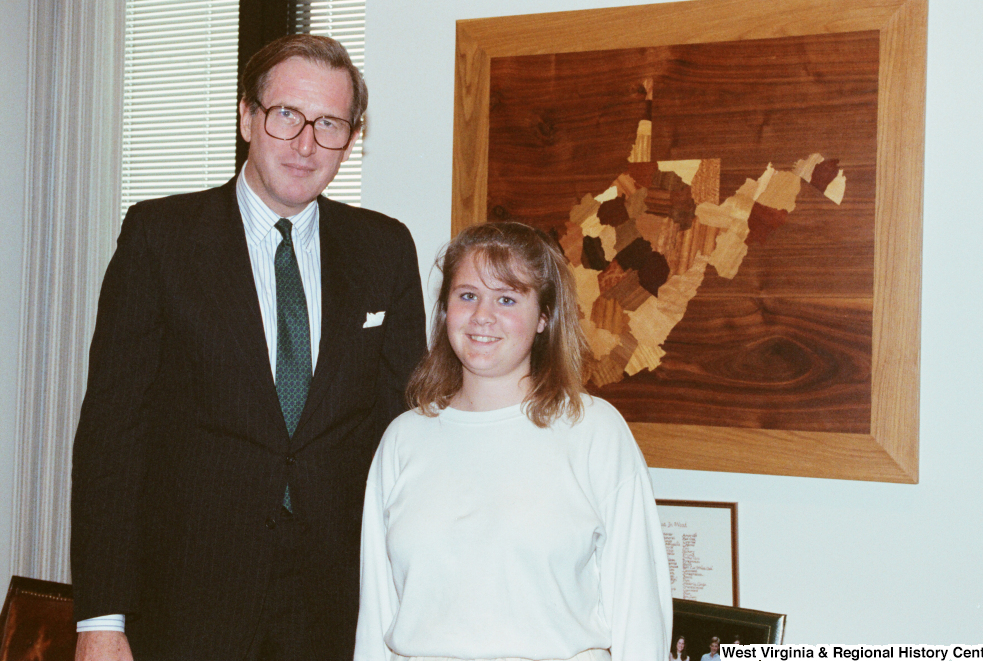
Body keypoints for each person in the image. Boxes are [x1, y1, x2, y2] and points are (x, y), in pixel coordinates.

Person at [71, 34, 426, 661]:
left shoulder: (385, 250)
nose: (306, 143)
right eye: (287, 114)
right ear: (246, 116)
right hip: (185, 602)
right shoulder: (161, 238)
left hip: (333, 608)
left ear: (351, 137)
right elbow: (112, 436)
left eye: (330, 124)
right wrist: (100, 618)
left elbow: (405, 433)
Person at [355, 222, 672, 661]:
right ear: (446, 308)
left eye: (507, 298)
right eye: (467, 296)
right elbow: (376, 616)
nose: (482, 316)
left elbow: (639, 610)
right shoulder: (404, 439)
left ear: (544, 317)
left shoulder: (594, 431)